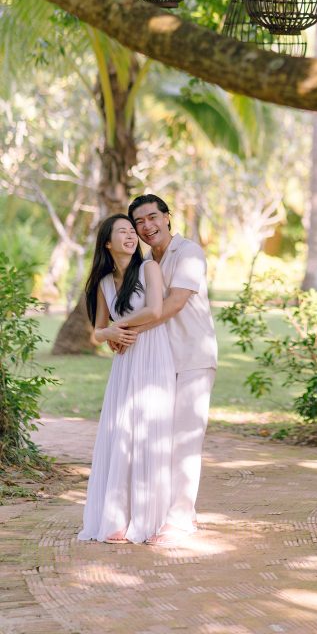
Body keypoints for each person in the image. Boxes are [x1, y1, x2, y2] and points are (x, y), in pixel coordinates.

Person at [120, 193, 218, 547]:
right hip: (159, 361)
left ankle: (179, 520)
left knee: (185, 440)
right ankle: (165, 512)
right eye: (139, 222)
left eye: (152, 218)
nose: (147, 227)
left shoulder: (187, 252)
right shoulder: (145, 262)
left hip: (193, 356)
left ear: (166, 217)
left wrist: (125, 330)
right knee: (158, 437)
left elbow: (174, 304)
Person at [78, 214, 176, 544]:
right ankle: (117, 517)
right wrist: (108, 332)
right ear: (108, 243)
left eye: (132, 231)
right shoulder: (104, 283)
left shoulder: (148, 268)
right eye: (123, 232)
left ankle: (152, 521)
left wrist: (117, 330)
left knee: (150, 435)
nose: (132, 236)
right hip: (124, 361)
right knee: (122, 433)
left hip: (152, 354)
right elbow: (96, 331)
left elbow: (155, 310)